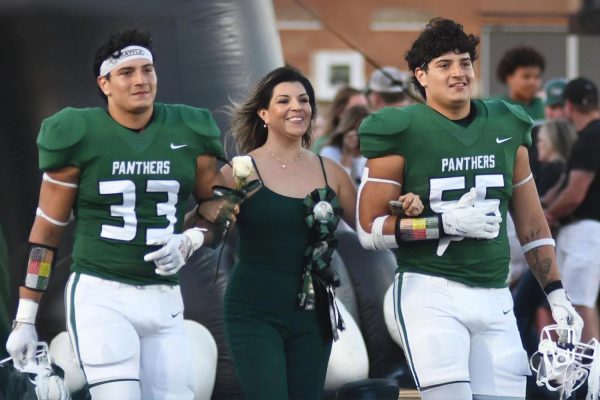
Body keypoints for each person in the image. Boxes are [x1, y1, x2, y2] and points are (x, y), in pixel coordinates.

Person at [357, 18, 582, 399]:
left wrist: (557, 294)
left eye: (465, 62)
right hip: (430, 290)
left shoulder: (507, 123)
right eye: (444, 65)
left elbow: (531, 225)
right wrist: (441, 224)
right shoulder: (400, 129)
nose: (459, 72)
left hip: (495, 296)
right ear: (421, 76)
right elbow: (368, 230)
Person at [5, 28, 234, 399]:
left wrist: (189, 240)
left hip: (164, 296)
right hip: (101, 293)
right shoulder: (78, 132)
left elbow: (219, 206)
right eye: (127, 72)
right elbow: (45, 236)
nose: (141, 79)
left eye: (148, 69)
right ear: (105, 83)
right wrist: (26, 318)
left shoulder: (189, 128)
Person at [220, 66, 420, 399]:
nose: (296, 107)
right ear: (264, 113)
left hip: (313, 314)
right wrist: (204, 220)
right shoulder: (241, 170)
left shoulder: (331, 172)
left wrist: (404, 207)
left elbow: (370, 226)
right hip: (253, 311)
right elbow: (209, 228)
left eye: (304, 100)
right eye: (284, 100)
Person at [545, 77, 600, 343]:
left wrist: (548, 215)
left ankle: (591, 374)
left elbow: (575, 193)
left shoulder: (589, 137)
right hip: (588, 231)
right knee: (581, 301)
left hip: (585, 230)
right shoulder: (588, 137)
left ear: (568, 105)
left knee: (580, 303)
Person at [320, 105, 370, 185]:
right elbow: (339, 188)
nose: (356, 136)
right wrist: (347, 154)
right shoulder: (329, 152)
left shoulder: (371, 156)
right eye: (354, 129)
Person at [310, 86, 368, 154]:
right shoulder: (323, 146)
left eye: (365, 108)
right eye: (356, 110)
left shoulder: (368, 142)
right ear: (340, 112)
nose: (363, 114)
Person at [496, 45, 546, 122]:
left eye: (537, 77)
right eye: (526, 76)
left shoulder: (547, 108)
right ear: (509, 78)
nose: (533, 82)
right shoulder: (494, 108)